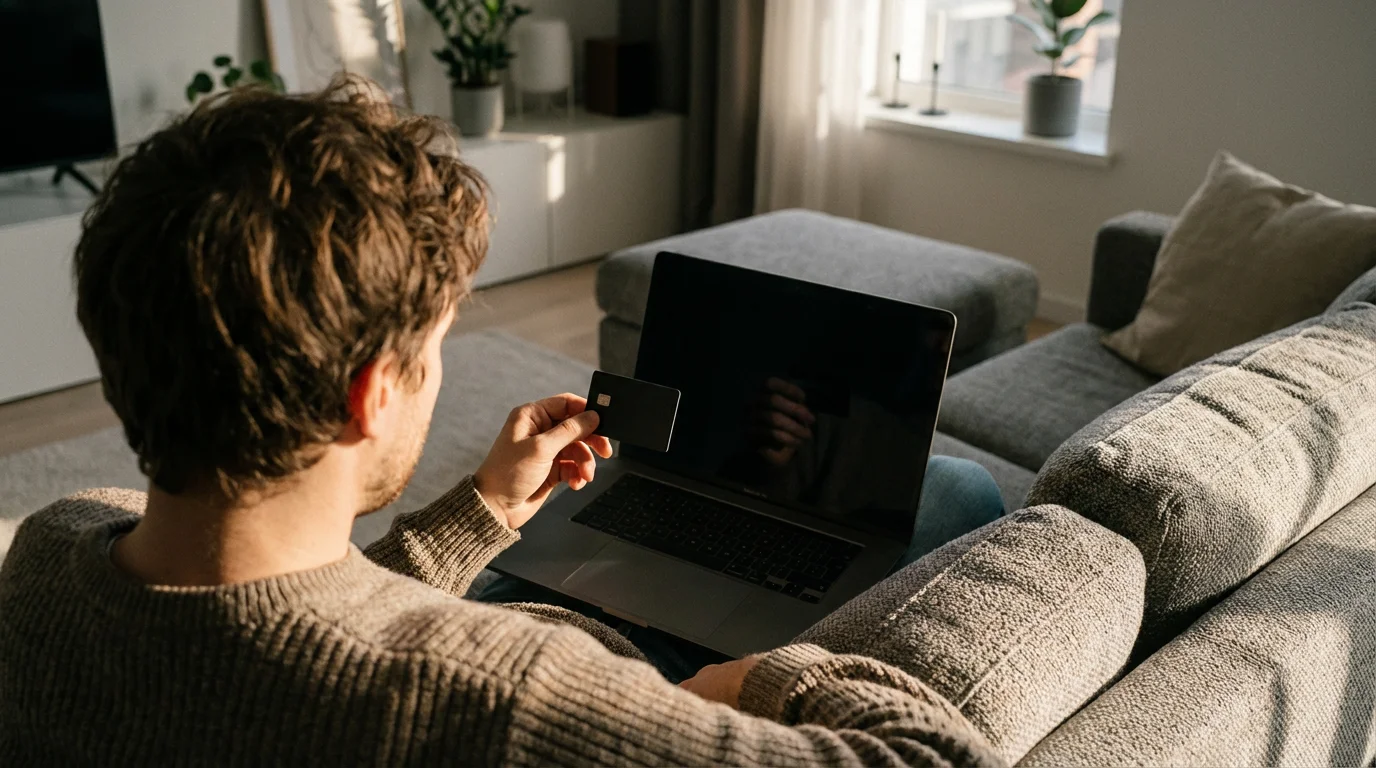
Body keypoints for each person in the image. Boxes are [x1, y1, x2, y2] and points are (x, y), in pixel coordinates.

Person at [0, 78, 1006, 766]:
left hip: (495, 612)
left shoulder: (49, 552)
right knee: (956, 490)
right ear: (369, 394)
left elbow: (292, 626)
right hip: (626, 677)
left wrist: (479, 511)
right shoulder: (503, 699)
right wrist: (750, 686)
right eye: (436, 345)